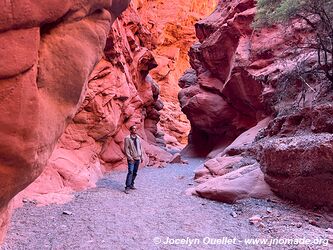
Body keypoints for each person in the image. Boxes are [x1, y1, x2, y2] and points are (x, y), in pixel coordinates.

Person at [124, 125, 143, 194]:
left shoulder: (138, 138)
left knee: (135, 172)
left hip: (137, 158)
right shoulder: (127, 138)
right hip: (131, 158)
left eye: (136, 129)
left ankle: (132, 184)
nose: (135, 130)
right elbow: (126, 149)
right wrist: (129, 157)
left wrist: (142, 156)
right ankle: (127, 187)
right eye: (133, 129)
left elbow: (140, 148)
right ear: (131, 130)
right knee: (130, 172)